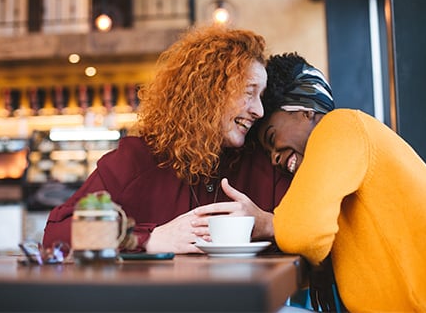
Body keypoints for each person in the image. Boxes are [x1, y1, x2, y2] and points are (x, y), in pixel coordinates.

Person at [42, 26, 291, 254]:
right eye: (249, 93)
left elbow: (319, 234)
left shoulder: (263, 163)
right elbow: (58, 234)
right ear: (208, 93)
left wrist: (268, 224)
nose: (259, 111)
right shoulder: (135, 160)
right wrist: (149, 239)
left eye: (261, 96)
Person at [257, 52, 426, 312]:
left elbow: (303, 234)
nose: (274, 157)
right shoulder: (344, 146)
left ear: (304, 111)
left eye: (272, 136)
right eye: (268, 153)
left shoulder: (340, 125)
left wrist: (266, 223)